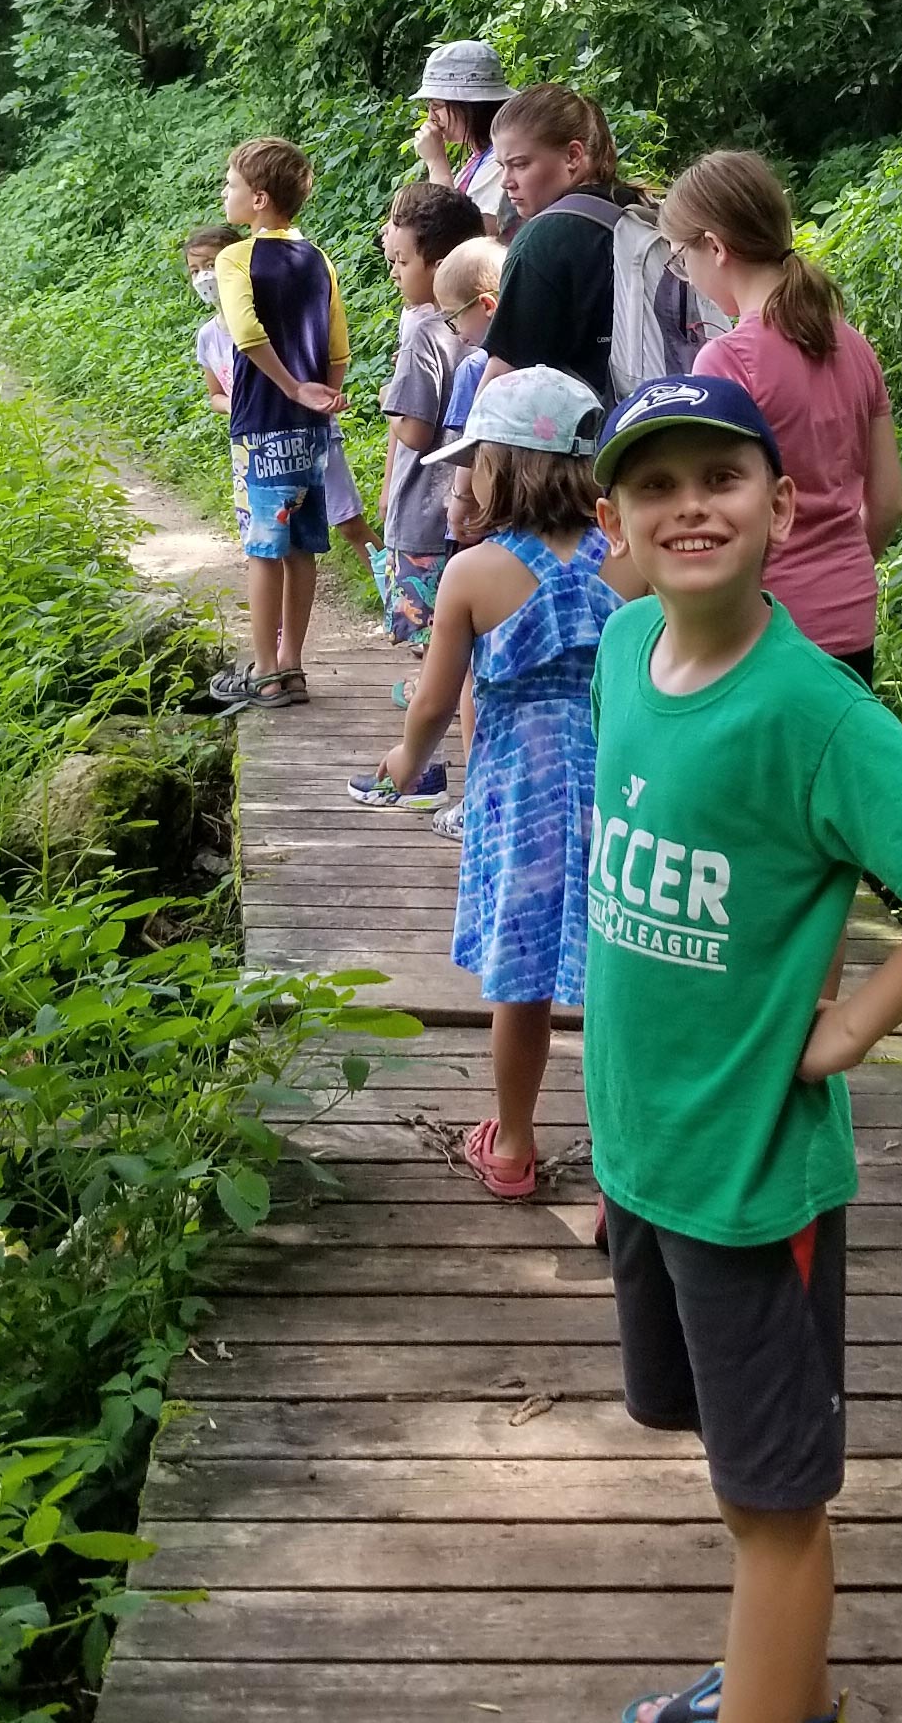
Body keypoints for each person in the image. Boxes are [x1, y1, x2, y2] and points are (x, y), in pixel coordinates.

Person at [586, 374, 902, 1723]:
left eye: (719, 478)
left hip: (746, 1173)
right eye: (655, 487)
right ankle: (775, 1680)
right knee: (736, 1470)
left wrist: (848, 1025)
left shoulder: (814, 711)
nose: (688, 509)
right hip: (645, 1144)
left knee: (777, 1501)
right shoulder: (623, 650)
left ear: (784, 508)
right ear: (614, 521)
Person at [348, 368, 643, 1197]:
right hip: (624, 793)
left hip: (521, 801)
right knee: (623, 976)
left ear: (502, 467)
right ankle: (633, 1159)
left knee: (523, 986)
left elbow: (437, 699)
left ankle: (513, 1144)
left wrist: (407, 761)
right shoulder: (632, 561)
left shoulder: (473, 573)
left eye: (473, 459)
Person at [662, 150, 902, 686]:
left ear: (716, 247)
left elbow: (714, 509)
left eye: (681, 257)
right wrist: (834, 571)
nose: (686, 274)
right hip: (851, 614)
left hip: (764, 624)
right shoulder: (854, 346)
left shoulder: (725, 361)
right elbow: (888, 502)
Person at [210, 136, 349, 713]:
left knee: (263, 549)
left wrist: (291, 386)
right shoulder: (319, 259)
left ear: (260, 199)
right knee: (302, 548)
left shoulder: (235, 258)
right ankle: (293, 664)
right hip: (310, 430)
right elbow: (338, 344)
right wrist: (324, 395)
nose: (226, 192)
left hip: (262, 424)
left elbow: (244, 333)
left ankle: (264, 671)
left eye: (232, 184)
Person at [417, 234, 508, 841]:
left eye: (453, 318)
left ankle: (477, 793)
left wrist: (460, 501)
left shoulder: (482, 366)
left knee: (477, 668)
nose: (454, 331)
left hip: (486, 534)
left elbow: (462, 448)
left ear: (486, 304)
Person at [378, 182, 485, 663]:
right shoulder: (488, 322)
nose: (395, 273)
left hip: (424, 509)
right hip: (473, 504)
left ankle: (433, 697)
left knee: (432, 631)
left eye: (402, 262)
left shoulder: (425, 332)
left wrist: (387, 399)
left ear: (439, 266)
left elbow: (415, 431)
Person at [479, 83, 642, 399]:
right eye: (502, 166)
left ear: (573, 155)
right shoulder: (637, 210)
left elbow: (504, 378)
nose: (505, 181)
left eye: (521, 164)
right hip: (660, 418)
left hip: (589, 438)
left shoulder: (543, 240)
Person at [410, 39, 515, 237]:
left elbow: (459, 235)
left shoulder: (500, 162)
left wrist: (436, 162)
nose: (431, 116)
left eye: (437, 106)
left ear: (468, 106)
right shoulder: (479, 157)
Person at [185, 222, 243, 417]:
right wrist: (231, 405)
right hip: (246, 434)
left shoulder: (265, 321)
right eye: (195, 270)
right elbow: (216, 395)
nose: (204, 276)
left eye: (211, 265)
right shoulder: (207, 336)